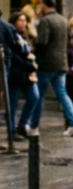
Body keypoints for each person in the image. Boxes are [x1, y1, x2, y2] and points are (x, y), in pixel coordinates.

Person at [32, 0, 73, 137]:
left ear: (44, 5)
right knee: (62, 93)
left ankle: (34, 126)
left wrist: (34, 46)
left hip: (46, 63)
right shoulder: (64, 20)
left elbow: (42, 41)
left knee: (39, 94)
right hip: (61, 63)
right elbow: (69, 43)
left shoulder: (45, 21)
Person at [7, 12, 38, 141]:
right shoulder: (10, 35)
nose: (23, 23)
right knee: (12, 103)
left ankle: (22, 124)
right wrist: (26, 62)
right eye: (20, 20)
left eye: (25, 20)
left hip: (27, 73)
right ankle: (12, 130)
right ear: (14, 22)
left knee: (34, 96)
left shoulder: (25, 36)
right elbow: (12, 54)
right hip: (15, 73)